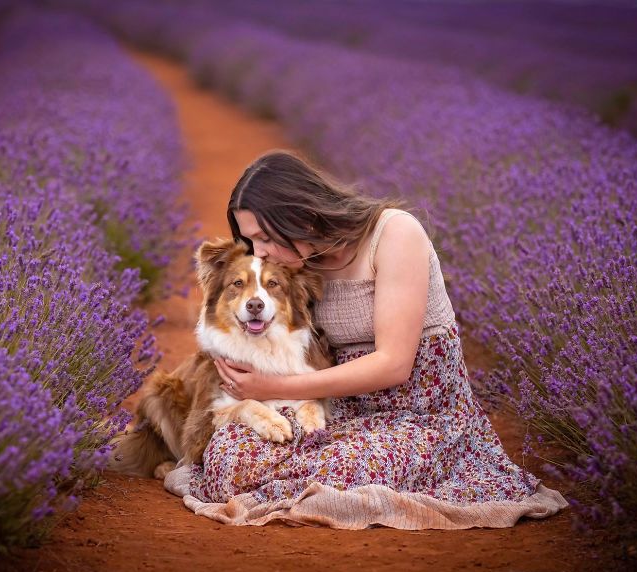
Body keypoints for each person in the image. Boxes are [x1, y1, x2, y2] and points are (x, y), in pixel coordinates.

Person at [163, 150, 567, 529]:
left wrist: (276, 387)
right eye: (252, 241)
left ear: (300, 216)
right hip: (341, 412)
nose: (261, 251)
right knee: (230, 455)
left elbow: (394, 364)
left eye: (265, 237)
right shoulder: (304, 265)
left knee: (339, 469)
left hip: (421, 418)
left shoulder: (394, 234)